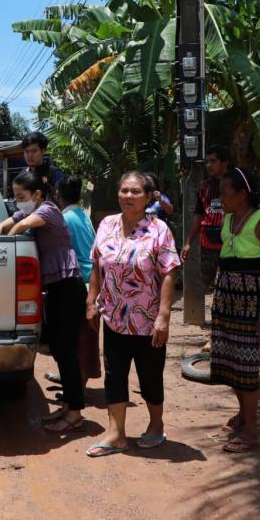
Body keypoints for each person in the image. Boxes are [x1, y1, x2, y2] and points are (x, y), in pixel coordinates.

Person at [85, 171, 181, 458]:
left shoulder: (159, 230)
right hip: (114, 316)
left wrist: (164, 316)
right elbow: (97, 263)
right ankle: (116, 435)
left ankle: (156, 425)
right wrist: (91, 300)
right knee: (114, 374)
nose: (128, 196)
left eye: (135, 191)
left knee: (150, 375)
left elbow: (169, 272)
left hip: (147, 319)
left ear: (149, 196)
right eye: (124, 190)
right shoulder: (107, 224)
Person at [0, 169, 86, 432]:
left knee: (67, 351)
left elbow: (20, 226)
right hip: (55, 288)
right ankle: (69, 406)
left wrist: (2, 249)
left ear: (36, 194)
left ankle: (75, 412)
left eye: (21, 196)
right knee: (58, 348)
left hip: (69, 286)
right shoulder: (30, 210)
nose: (17, 201)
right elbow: (3, 224)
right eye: (14, 196)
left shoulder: (48, 210)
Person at [209, 167, 260, 453]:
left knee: (247, 367)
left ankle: (252, 431)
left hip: (250, 305)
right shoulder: (227, 219)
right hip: (226, 302)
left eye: (224, 192)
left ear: (242, 194)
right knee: (231, 363)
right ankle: (242, 415)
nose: (220, 197)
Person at [49, 176, 101, 387]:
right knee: (85, 338)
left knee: (77, 338)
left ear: (57, 194)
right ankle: (75, 379)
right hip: (91, 281)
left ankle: (78, 385)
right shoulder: (82, 215)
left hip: (80, 283)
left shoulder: (64, 218)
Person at [182, 146, 231, 314]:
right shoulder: (204, 187)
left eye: (213, 161)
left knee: (229, 284)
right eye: (207, 162)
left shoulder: (236, 184)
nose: (209, 165)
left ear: (224, 163)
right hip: (208, 243)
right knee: (210, 284)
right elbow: (198, 215)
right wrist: (188, 242)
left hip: (231, 244)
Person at [21, 131, 68, 196]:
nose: (30, 155)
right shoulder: (22, 174)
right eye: (26, 151)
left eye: (34, 151)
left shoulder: (55, 174)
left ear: (43, 151)